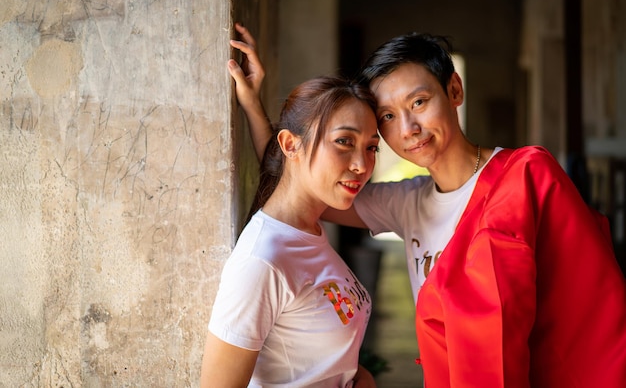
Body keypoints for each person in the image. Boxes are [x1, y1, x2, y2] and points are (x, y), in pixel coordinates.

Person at [229, 23, 626, 387]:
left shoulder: (525, 176)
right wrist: (252, 103)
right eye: (388, 115)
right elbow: (302, 178)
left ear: (454, 90)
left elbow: (589, 301)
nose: (408, 129)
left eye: (419, 102)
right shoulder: (406, 203)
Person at [200, 35, 381, 386]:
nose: (362, 164)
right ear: (289, 144)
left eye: (372, 147)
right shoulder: (262, 261)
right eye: (344, 141)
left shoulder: (309, 230)